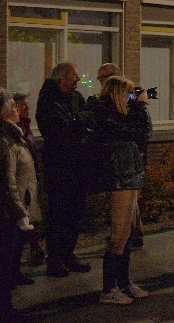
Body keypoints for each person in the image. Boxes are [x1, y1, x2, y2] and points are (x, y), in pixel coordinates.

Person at [91, 77, 152, 305]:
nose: (131, 97)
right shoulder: (107, 114)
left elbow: (142, 134)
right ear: (117, 93)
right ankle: (109, 289)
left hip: (130, 175)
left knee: (127, 234)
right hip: (120, 177)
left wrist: (136, 106)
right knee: (119, 235)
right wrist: (139, 105)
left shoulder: (119, 113)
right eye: (127, 93)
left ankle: (124, 282)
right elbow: (141, 132)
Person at [35, 62, 92, 277]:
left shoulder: (76, 98)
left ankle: (69, 254)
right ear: (62, 79)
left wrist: (78, 122)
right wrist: (78, 123)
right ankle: (55, 259)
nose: (78, 80)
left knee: (75, 211)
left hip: (77, 164)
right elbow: (61, 128)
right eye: (74, 76)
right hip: (58, 166)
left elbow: (86, 118)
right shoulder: (49, 100)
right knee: (58, 212)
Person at [88, 63, 144, 251]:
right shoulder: (102, 104)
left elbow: (142, 127)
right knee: (123, 216)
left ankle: (134, 235)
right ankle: (129, 237)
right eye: (100, 78)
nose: (102, 81)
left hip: (131, 162)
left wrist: (138, 103)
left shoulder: (130, 94)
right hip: (120, 166)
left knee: (130, 207)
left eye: (105, 77)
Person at [1, 89, 34, 323]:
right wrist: (20, 212)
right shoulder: (5, 141)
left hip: (9, 212)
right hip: (6, 215)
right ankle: (5, 315)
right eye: (13, 106)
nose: (17, 110)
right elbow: (7, 182)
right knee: (4, 265)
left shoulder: (12, 136)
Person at [12, 91, 44, 268]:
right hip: (19, 184)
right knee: (22, 220)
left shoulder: (25, 127)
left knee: (28, 219)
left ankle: (34, 250)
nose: (27, 108)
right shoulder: (15, 131)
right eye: (23, 105)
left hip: (29, 181)